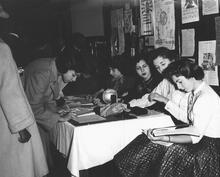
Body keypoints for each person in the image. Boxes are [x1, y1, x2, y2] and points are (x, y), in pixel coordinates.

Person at [113, 59, 220, 177]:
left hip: (209, 146)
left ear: (191, 76)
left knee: (171, 150)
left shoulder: (204, 97)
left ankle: (128, 171)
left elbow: (195, 137)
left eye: (180, 82)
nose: (178, 86)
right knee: (147, 138)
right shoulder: (195, 92)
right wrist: (163, 132)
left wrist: (165, 137)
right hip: (199, 137)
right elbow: (187, 118)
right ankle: (121, 170)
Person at [23, 46, 78, 169]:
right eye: (73, 75)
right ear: (65, 67)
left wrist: (61, 107)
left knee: (46, 158)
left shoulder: (54, 67)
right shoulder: (44, 72)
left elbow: (50, 95)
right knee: (38, 162)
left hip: (35, 116)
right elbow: (33, 107)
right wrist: (59, 118)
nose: (74, 79)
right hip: (27, 118)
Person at [0, 39, 49, 176]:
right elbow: (8, 90)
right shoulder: (2, 48)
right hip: (8, 119)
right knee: (18, 166)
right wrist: (21, 127)